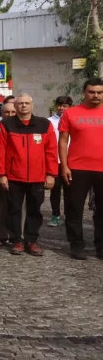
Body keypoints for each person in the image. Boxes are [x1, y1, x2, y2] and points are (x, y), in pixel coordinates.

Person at [0, 93, 56, 257]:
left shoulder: (44, 124)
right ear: (15, 106)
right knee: (14, 210)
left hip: (38, 177)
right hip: (14, 177)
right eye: (20, 103)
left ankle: (32, 241)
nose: (23, 106)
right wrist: (1, 174)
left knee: (35, 210)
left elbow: (51, 151)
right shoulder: (6, 125)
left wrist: (51, 174)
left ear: (32, 105)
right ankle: (17, 240)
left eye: (26, 103)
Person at [58, 78, 103, 260]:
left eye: (99, 92)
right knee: (74, 209)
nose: (96, 95)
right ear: (84, 92)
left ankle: (101, 246)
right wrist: (64, 166)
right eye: (92, 92)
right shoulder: (71, 113)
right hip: (76, 168)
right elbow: (62, 141)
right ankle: (76, 245)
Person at [0, 100, 18, 244]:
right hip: (1, 172)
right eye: (6, 112)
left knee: (18, 206)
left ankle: (17, 236)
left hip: (18, 172)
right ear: (1, 113)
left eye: (12, 112)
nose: (9, 115)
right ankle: (1, 235)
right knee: (2, 205)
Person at [48, 95, 73, 227]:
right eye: (59, 105)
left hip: (71, 161)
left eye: (65, 106)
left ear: (69, 107)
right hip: (54, 161)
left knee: (70, 190)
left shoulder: (74, 120)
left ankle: (69, 216)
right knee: (55, 189)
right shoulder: (49, 121)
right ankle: (55, 215)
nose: (61, 108)